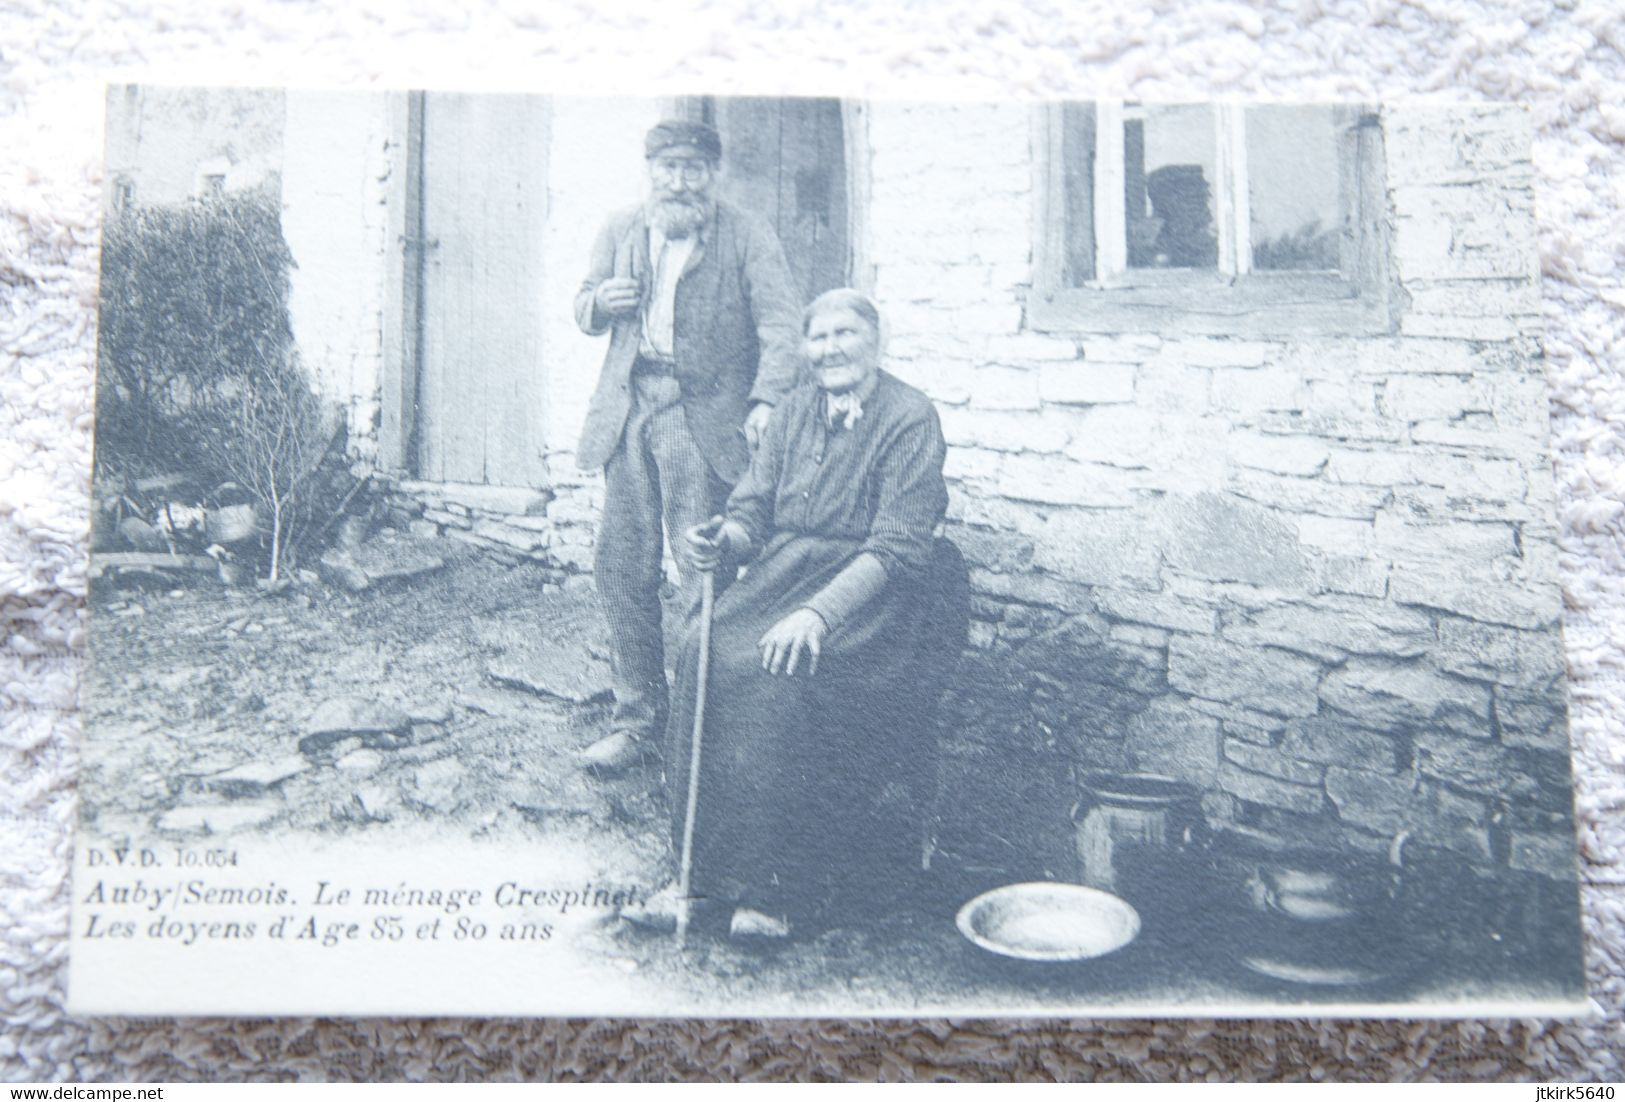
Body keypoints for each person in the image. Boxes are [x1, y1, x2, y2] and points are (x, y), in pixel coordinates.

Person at [626, 289, 968, 940]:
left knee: (778, 673)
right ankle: (695, 876)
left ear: (875, 341)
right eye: (818, 337)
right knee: (702, 646)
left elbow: (897, 545)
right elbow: (754, 510)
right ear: (804, 349)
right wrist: (722, 537)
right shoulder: (790, 413)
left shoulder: (909, 417)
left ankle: (772, 887)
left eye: (846, 334)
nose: (831, 349)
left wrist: (818, 615)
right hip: (784, 573)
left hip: (875, 593)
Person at [574, 119, 804, 773]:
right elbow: (581, 302)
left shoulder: (745, 234)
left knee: (700, 572)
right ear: (650, 171)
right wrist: (598, 303)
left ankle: (703, 733)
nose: (679, 181)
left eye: (693, 169)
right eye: (668, 167)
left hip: (699, 418)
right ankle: (638, 722)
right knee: (620, 570)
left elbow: (782, 322)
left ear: (713, 176)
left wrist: (764, 401)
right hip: (627, 411)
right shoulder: (622, 228)